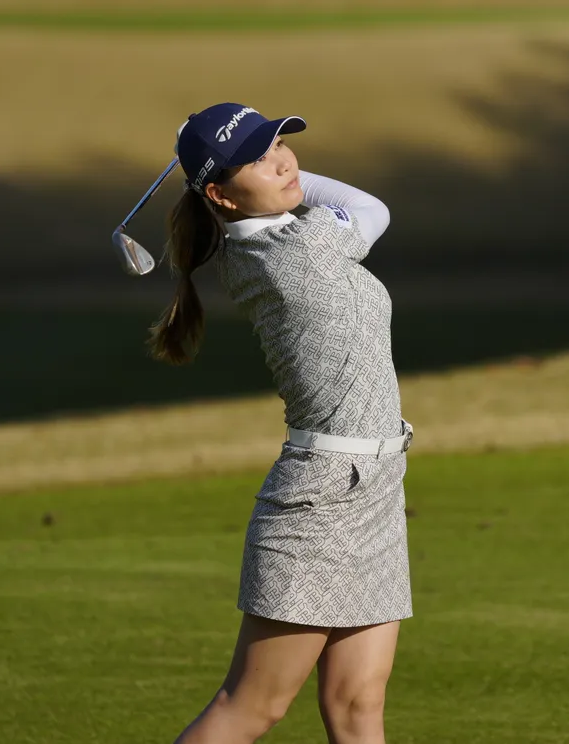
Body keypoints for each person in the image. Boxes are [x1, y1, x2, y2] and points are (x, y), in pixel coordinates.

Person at [150, 103, 413, 744]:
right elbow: (371, 208)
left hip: (375, 484)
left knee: (359, 703)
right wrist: (282, 180)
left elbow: (349, 206)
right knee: (251, 708)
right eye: (258, 159)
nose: (284, 162)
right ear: (220, 195)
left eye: (279, 145)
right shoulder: (296, 251)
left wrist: (249, 172)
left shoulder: (268, 241)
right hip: (321, 500)